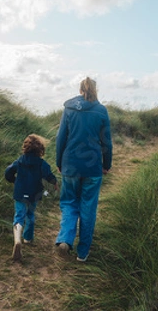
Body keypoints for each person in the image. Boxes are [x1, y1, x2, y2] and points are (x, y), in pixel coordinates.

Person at [55, 77, 112, 262]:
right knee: (88, 208)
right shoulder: (101, 111)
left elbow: (60, 138)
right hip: (92, 168)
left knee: (69, 204)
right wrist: (106, 164)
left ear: (80, 90)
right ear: (96, 90)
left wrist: (59, 161)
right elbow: (107, 142)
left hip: (70, 165)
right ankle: (82, 253)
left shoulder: (69, 108)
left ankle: (65, 239)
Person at [5, 134, 58, 261]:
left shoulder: (20, 161)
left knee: (19, 215)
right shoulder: (41, 163)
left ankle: (17, 239)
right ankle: (28, 238)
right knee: (30, 214)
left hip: (20, 192)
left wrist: (13, 180)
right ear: (40, 149)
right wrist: (54, 182)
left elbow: (8, 172)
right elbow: (48, 175)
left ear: (25, 147)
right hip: (34, 194)